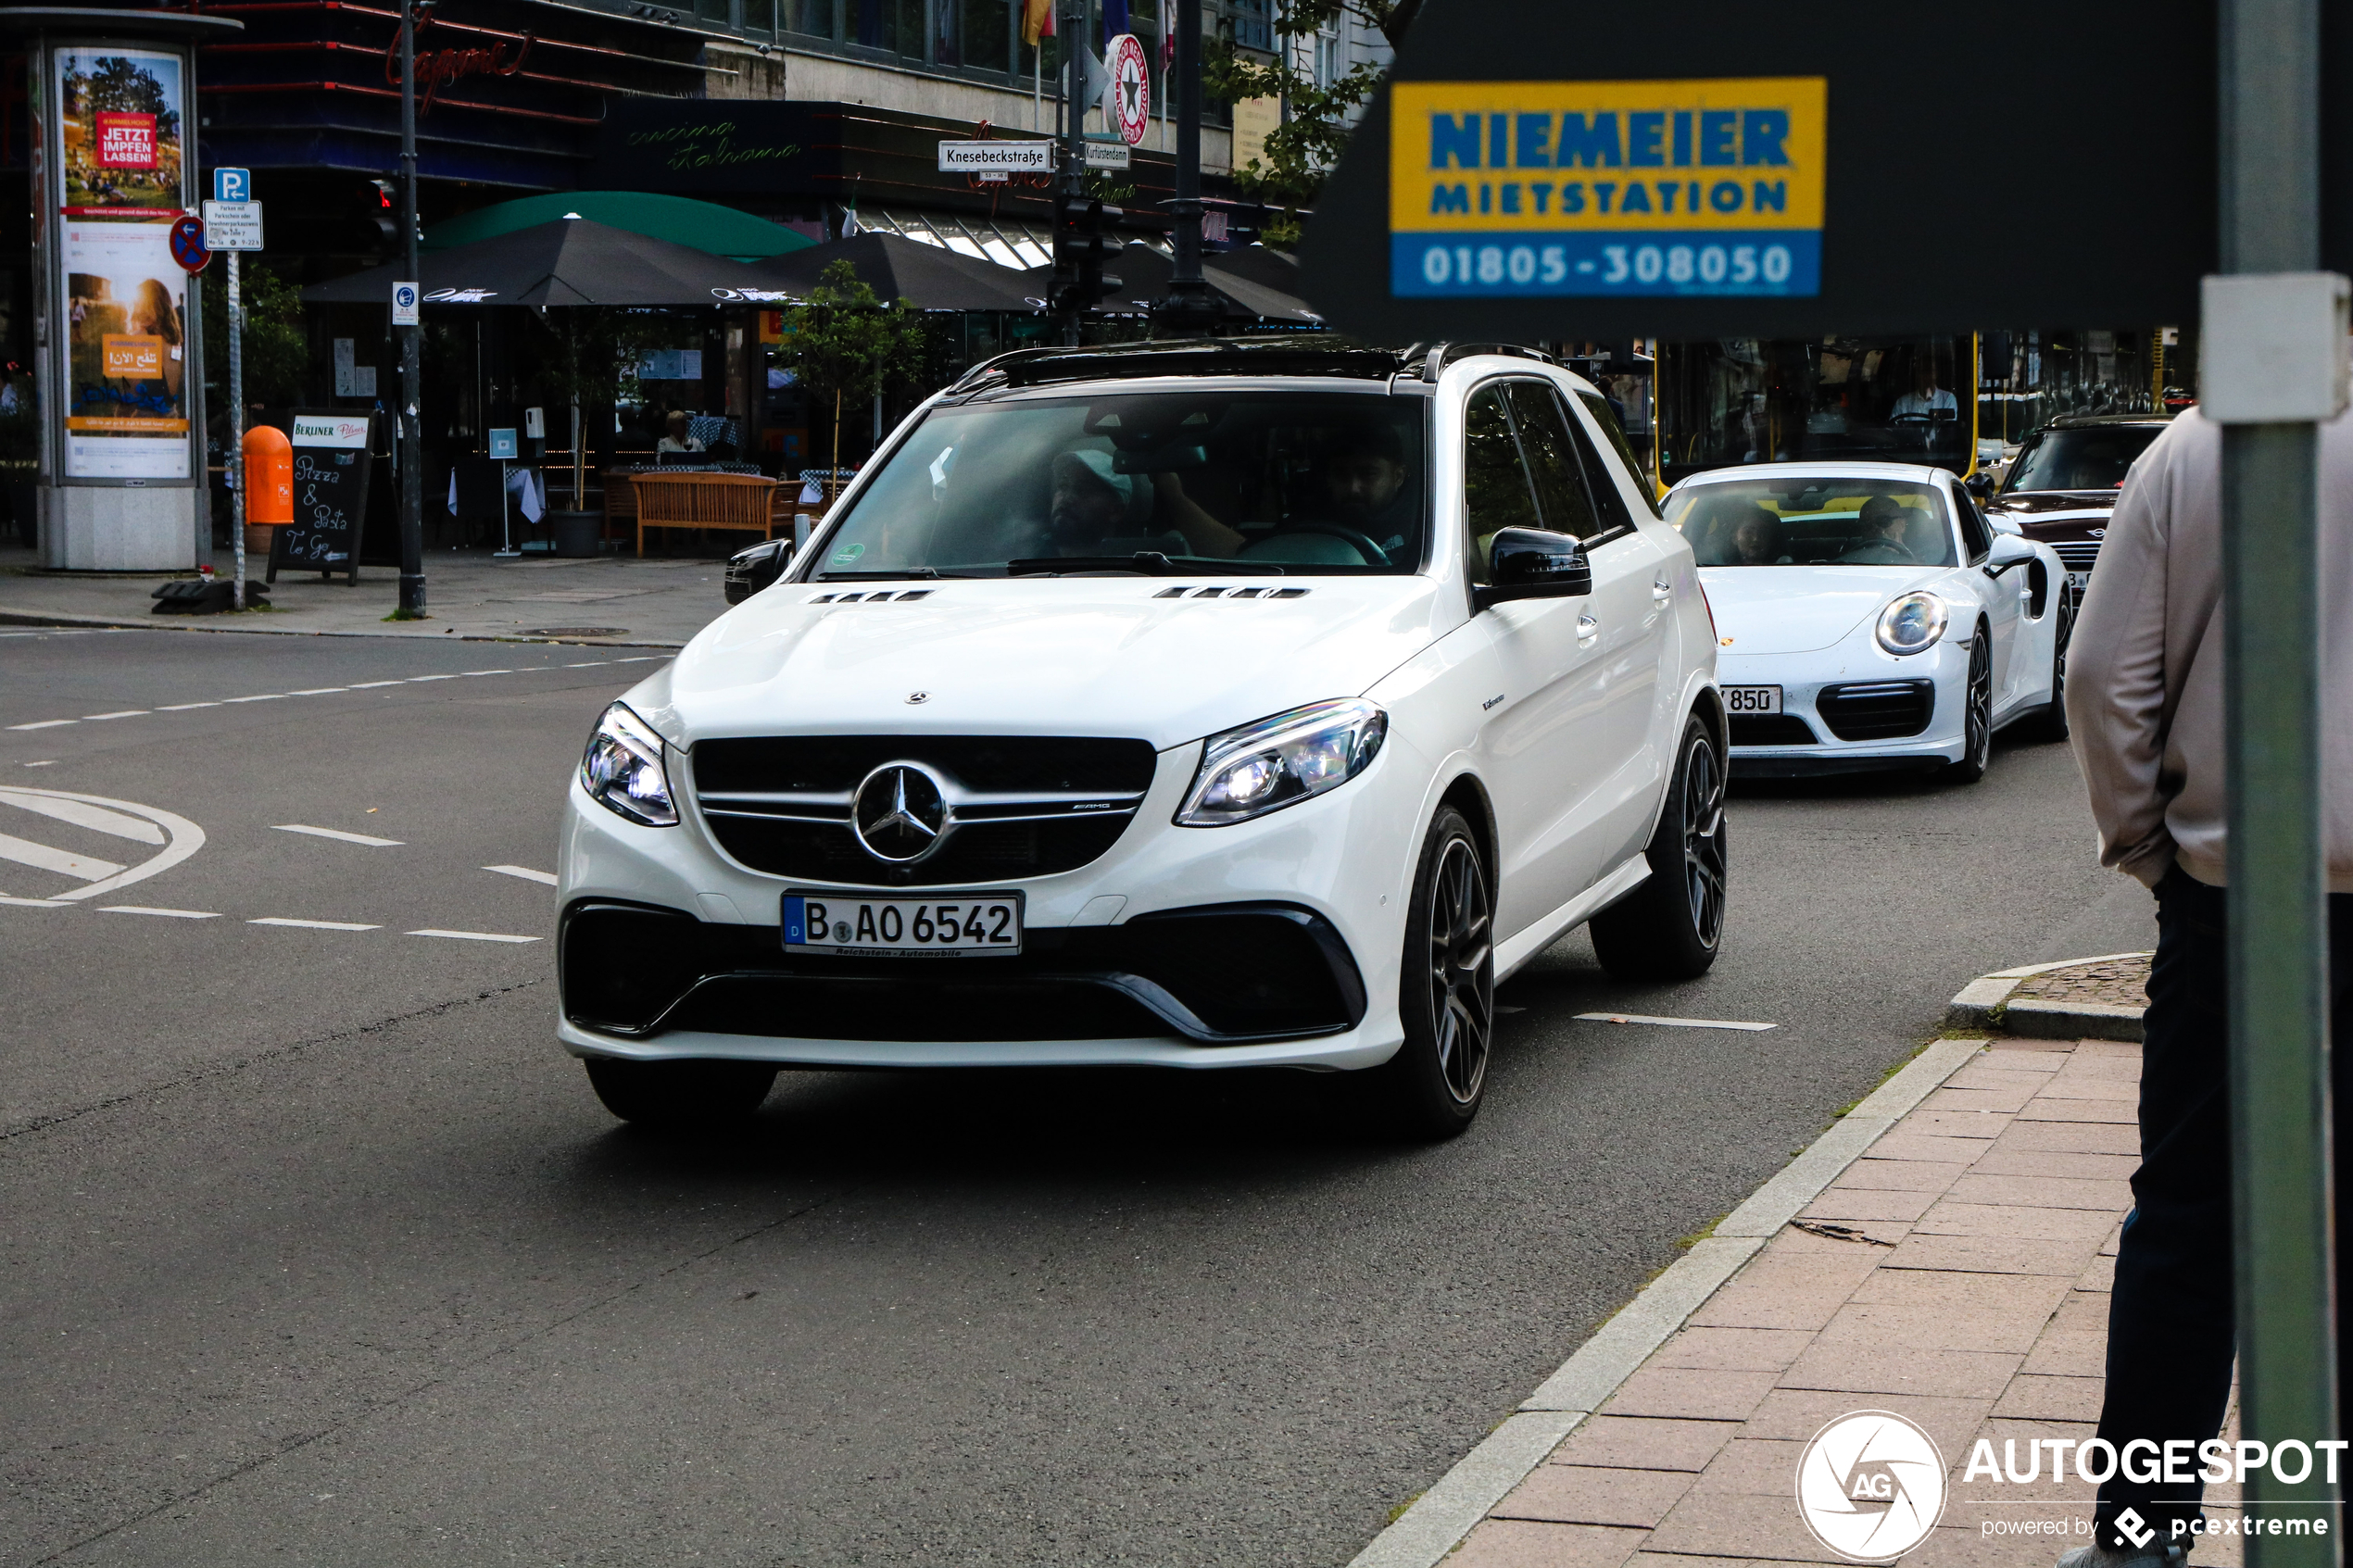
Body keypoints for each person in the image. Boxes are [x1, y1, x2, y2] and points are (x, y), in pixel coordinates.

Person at [2057, 406, 2353, 1568]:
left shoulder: (2196, 443)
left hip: (2237, 899)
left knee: (2187, 1218)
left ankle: (2139, 1535)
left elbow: (2097, 675)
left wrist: (2150, 849)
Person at [1840, 494, 1917, 562]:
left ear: (1902, 524)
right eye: (1868, 524)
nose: (1877, 529)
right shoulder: (1848, 561)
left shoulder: (1924, 557)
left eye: (1884, 521)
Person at [1890, 365, 1957, 421]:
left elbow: (1948, 430)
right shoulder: (1902, 403)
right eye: (1922, 372)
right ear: (1916, 375)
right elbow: (1892, 430)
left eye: (1929, 371)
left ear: (1936, 374)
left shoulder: (1947, 399)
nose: (1926, 376)